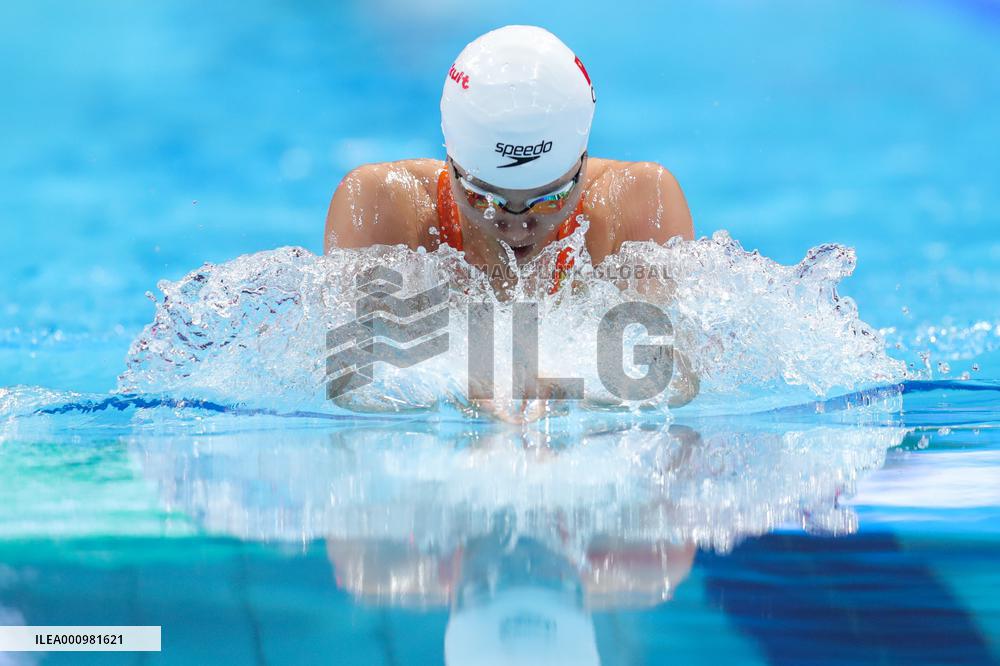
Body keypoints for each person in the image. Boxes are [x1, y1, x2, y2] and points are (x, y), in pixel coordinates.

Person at [324, 25, 693, 295]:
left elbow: (668, 382)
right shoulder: (383, 207)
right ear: (451, 164)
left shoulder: (636, 206)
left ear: (582, 167)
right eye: (483, 199)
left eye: (549, 199)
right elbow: (359, 383)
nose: (517, 230)